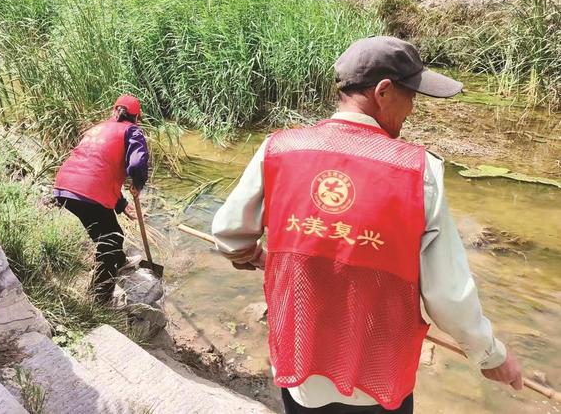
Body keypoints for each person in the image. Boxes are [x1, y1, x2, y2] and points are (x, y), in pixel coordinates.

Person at [211, 37, 523, 414]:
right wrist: (491, 356)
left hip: (299, 370)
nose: (411, 110)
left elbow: (229, 232)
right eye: (411, 97)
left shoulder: (279, 149)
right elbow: (447, 295)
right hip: (377, 380)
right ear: (384, 91)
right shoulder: (419, 172)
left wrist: (251, 254)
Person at [54, 94, 149, 303]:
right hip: (88, 192)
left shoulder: (97, 128)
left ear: (114, 111)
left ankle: (121, 262)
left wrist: (122, 204)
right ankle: (100, 299)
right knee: (111, 239)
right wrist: (138, 183)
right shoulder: (131, 131)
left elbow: (98, 169)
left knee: (108, 234)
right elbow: (136, 163)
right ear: (136, 117)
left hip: (64, 188)